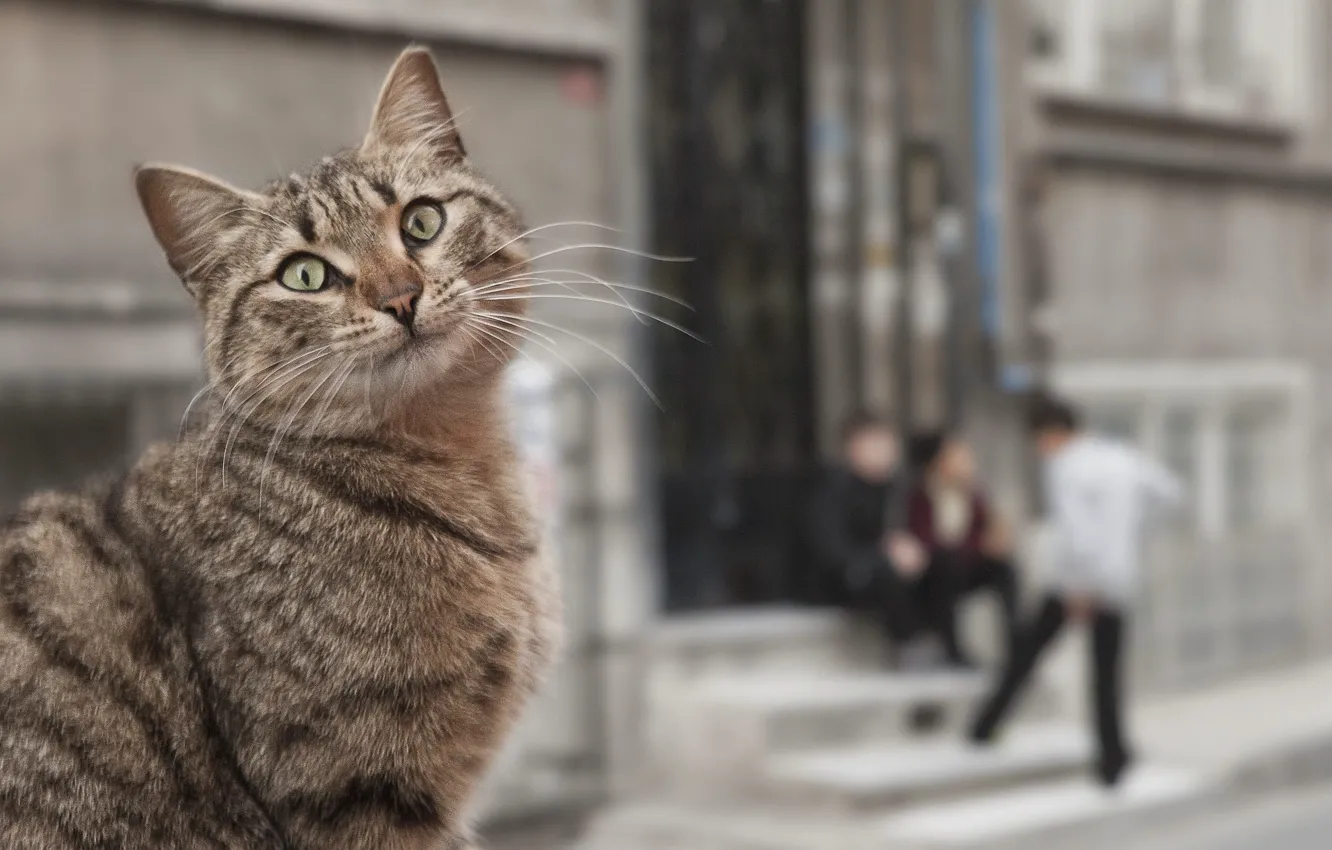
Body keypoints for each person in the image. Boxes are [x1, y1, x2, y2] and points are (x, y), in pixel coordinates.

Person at [968, 394, 1183, 788]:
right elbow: (1169, 492)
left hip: (1076, 581)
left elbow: (1077, 535)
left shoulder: (1067, 467)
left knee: (1029, 650)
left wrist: (1081, 586)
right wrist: (1130, 535)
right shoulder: (1119, 456)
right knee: (1106, 672)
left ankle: (986, 725)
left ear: (1050, 435)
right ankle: (1112, 757)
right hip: (1118, 578)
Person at [806, 411, 936, 664]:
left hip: (895, 569)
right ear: (853, 447)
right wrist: (885, 554)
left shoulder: (901, 487)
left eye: (888, 442)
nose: (885, 451)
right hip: (848, 578)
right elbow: (834, 553)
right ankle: (911, 643)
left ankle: (945, 642)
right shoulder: (832, 490)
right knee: (886, 569)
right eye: (875, 443)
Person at [905, 432, 1021, 668]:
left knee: (1005, 568)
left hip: (965, 566)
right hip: (934, 573)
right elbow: (926, 541)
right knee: (947, 563)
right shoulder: (920, 495)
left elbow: (984, 530)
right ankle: (952, 649)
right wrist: (976, 546)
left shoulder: (973, 494)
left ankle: (1015, 646)